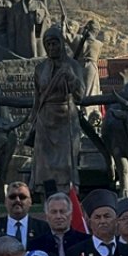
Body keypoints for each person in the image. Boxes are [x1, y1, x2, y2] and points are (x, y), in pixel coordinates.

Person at [30, 24, 85, 192]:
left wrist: (71, 77)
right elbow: (37, 97)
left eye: (55, 43)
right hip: (45, 119)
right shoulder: (40, 69)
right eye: (49, 44)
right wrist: (34, 119)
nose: (52, 47)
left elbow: (81, 95)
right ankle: (46, 195)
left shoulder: (73, 65)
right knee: (44, 164)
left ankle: (68, 197)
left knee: (66, 163)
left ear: (61, 44)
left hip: (66, 118)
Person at [28, 192, 89, 256]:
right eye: (54, 212)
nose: (58, 216)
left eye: (62, 211)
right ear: (47, 216)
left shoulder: (86, 241)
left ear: (71, 215)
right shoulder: (35, 245)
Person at [0, 181, 51, 248]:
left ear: (30, 201)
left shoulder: (43, 228)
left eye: (22, 197)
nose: (17, 200)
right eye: (12, 197)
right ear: (5, 201)